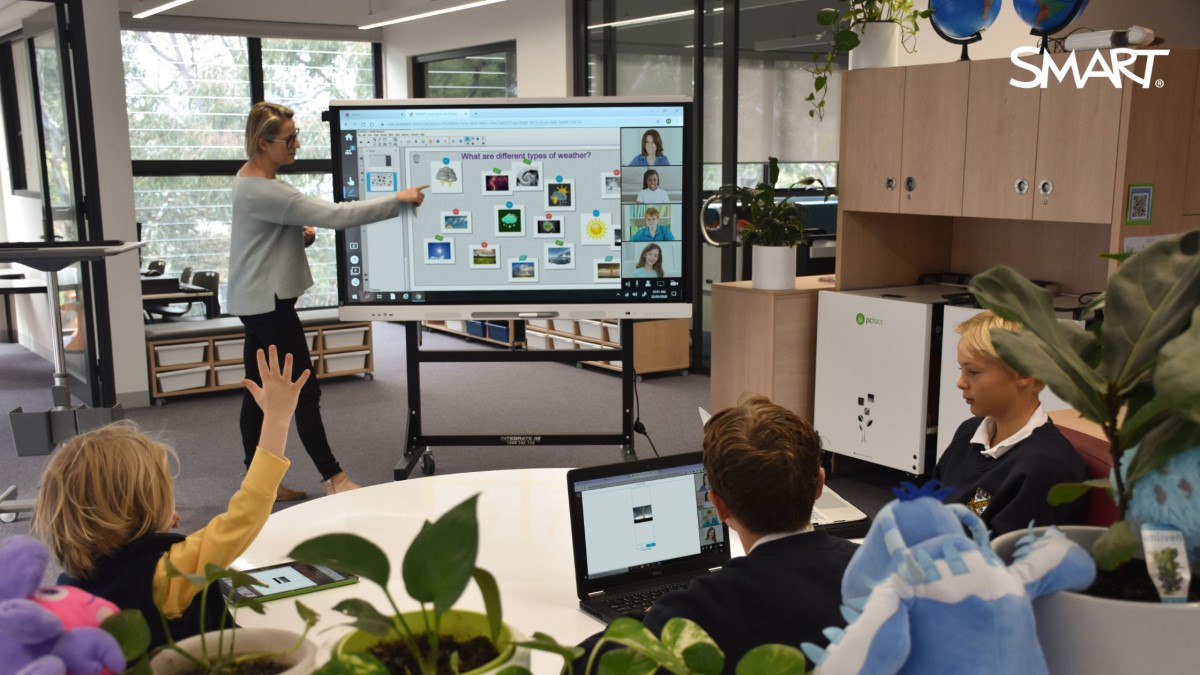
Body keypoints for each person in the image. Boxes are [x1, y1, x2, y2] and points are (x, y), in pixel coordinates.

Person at [32, 345, 307, 651]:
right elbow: (246, 513)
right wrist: (277, 419)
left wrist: (156, 530)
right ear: (142, 507)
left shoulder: (67, 587)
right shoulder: (167, 574)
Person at [229, 101, 428, 500]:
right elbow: (338, 215)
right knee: (303, 391)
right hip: (268, 306)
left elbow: (263, 237)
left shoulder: (247, 177)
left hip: (257, 301)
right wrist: (399, 200)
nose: (297, 144)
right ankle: (334, 478)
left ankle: (257, 485)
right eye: (289, 139)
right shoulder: (267, 190)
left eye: (296, 135)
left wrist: (295, 235)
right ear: (264, 143)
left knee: (257, 392)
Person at [576, 396, 857, 674]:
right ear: (819, 485)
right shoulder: (873, 573)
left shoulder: (697, 612)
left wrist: (648, 617)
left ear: (719, 506)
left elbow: (581, 665)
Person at [933, 310, 1087, 536]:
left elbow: (1005, 553)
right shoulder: (969, 432)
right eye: (961, 369)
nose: (960, 382)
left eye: (973, 371)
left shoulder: (1043, 468)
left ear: (1023, 374)